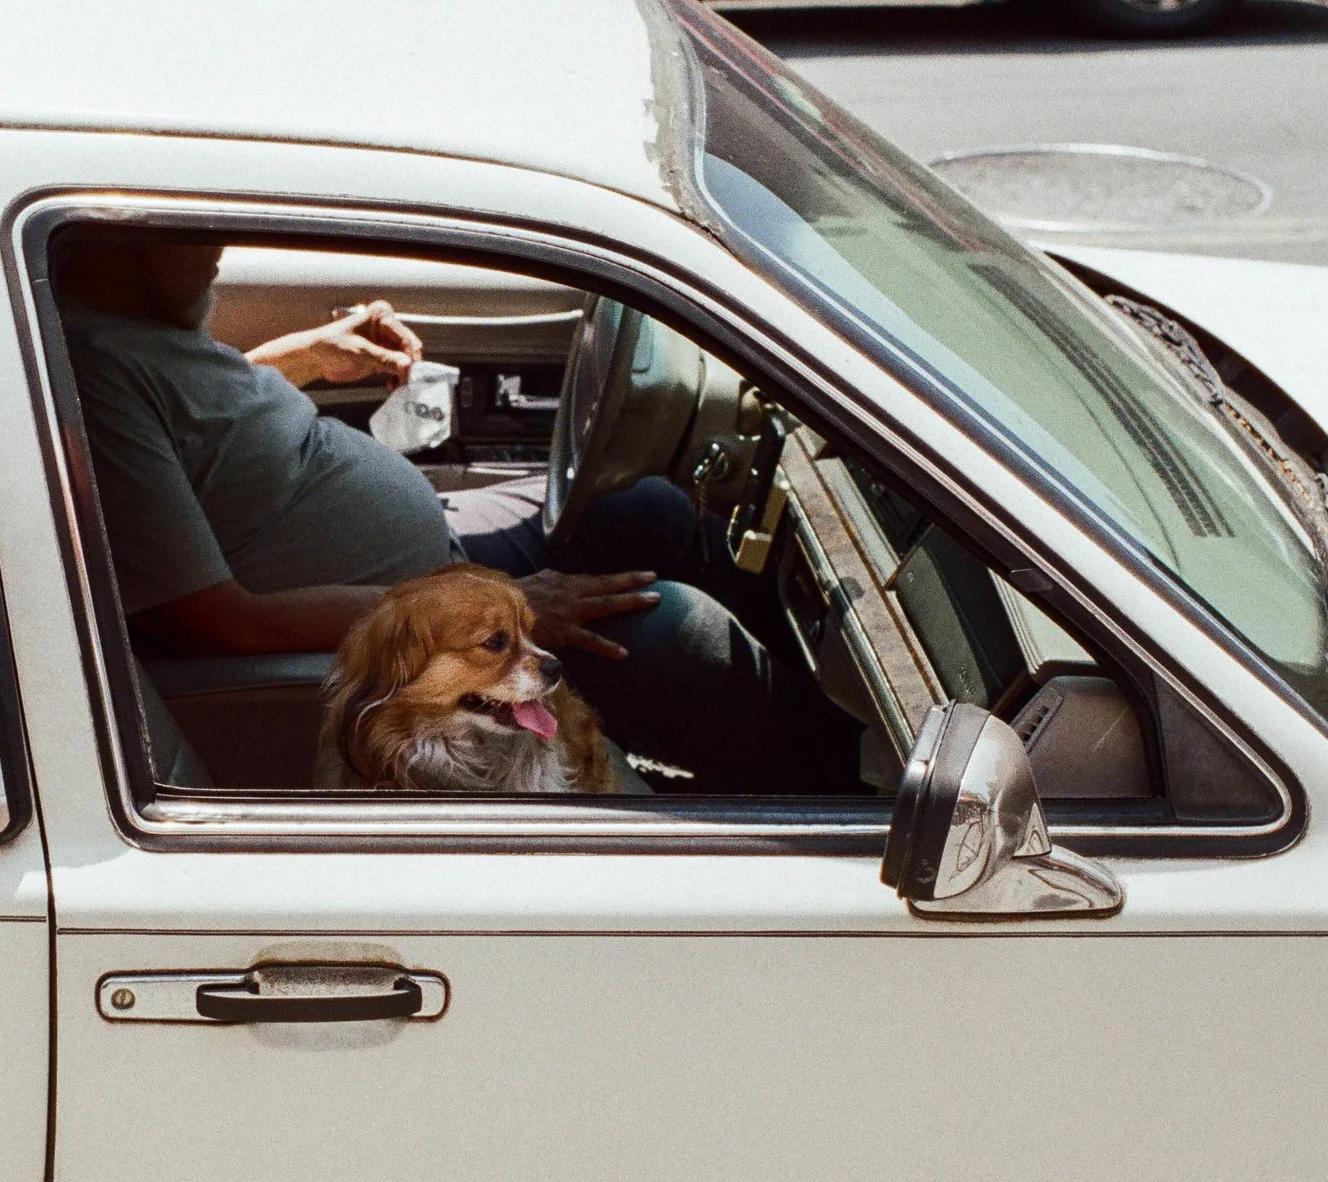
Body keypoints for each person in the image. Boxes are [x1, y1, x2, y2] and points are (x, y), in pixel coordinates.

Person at [55, 231, 800, 790]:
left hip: (437, 560)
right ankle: (826, 799)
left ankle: (808, 710)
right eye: (191, 229)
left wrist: (307, 357)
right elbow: (218, 622)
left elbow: (189, 422)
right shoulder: (92, 380)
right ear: (115, 238)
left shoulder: (132, 337)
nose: (218, 244)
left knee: (651, 510)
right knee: (680, 631)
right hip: (421, 647)